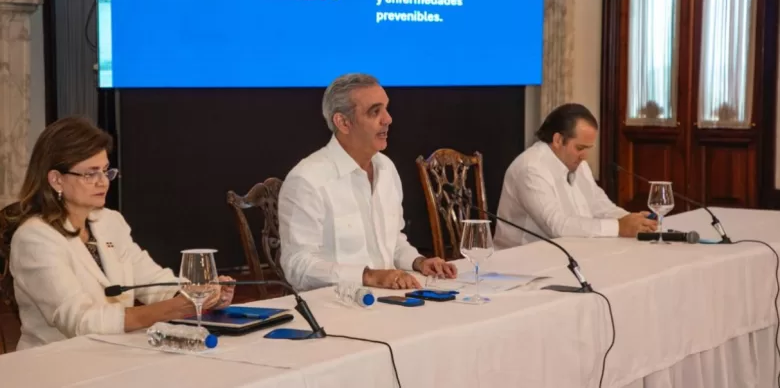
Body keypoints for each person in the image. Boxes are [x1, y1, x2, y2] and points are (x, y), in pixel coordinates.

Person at [0, 116, 235, 350]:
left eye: (105, 171)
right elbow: (80, 322)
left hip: (119, 353)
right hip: (58, 366)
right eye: (90, 174)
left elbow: (154, 283)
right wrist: (178, 307)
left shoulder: (109, 221)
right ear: (56, 180)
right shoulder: (34, 238)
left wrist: (201, 294)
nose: (103, 182)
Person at [279, 73, 457, 292]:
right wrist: (368, 276)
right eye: (375, 111)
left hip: (390, 301)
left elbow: (394, 242)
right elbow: (298, 266)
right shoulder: (307, 180)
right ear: (343, 122)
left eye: (386, 108)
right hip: (334, 309)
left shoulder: (386, 168)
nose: (388, 119)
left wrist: (418, 262)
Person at [493, 103, 657, 249]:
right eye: (580, 148)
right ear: (558, 140)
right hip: (523, 263)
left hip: (569, 253)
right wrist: (619, 227)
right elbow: (556, 226)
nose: (584, 156)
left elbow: (600, 205)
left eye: (588, 148)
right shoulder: (530, 169)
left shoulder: (579, 164)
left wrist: (632, 220)